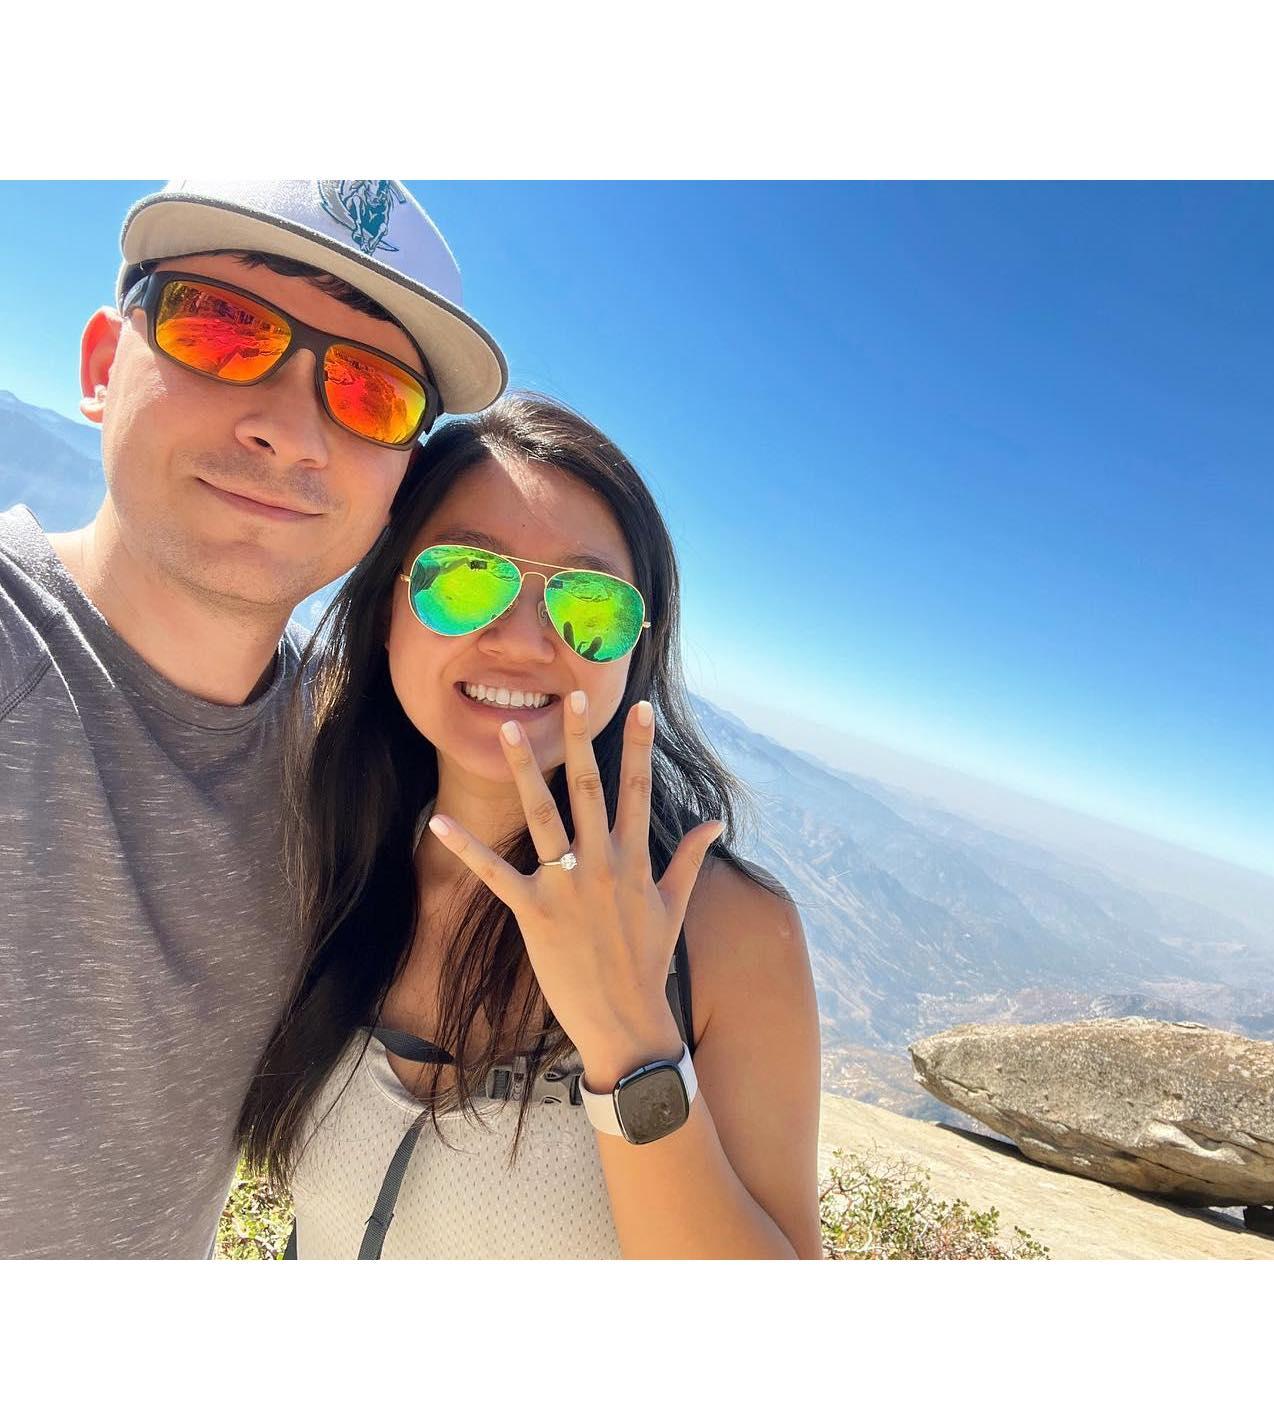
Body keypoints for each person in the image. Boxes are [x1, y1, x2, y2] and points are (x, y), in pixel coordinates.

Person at [0, 180, 507, 1258]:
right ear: (102, 366)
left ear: (397, 484)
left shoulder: (352, 775)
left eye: (370, 394)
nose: (291, 429)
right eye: (221, 328)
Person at [237, 394, 823, 1258]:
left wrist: (631, 1039)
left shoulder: (722, 930)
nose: (523, 639)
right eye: (466, 578)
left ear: (636, 653)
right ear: (388, 606)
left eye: (590, 605)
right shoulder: (323, 838)